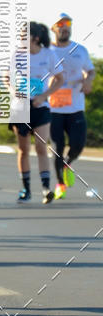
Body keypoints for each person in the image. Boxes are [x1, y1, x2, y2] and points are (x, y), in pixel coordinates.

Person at [9, 22, 63, 204]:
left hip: (41, 107)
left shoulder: (49, 55)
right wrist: (14, 90)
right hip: (20, 107)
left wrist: (44, 96)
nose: (21, 39)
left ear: (36, 38)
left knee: (41, 147)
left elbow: (60, 79)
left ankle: (46, 188)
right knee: (23, 150)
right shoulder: (17, 54)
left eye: (24, 35)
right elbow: (7, 78)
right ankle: (26, 189)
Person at [49, 13, 95, 199]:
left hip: (76, 107)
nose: (64, 27)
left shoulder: (80, 50)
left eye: (67, 23)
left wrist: (88, 81)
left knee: (78, 145)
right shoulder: (46, 52)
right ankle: (60, 184)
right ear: (53, 29)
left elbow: (90, 71)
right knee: (57, 147)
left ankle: (68, 163)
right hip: (53, 109)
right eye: (60, 24)